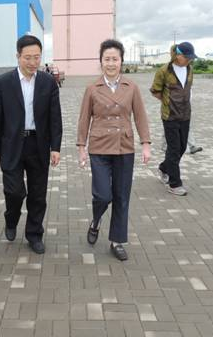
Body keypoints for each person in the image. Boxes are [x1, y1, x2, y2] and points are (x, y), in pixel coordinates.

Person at [77, 39, 151, 261]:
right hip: (99, 147)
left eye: (115, 59)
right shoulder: (92, 88)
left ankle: (117, 241)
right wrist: (81, 147)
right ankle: (96, 220)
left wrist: (145, 144)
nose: (111, 63)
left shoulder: (131, 87)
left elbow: (140, 116)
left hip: (124, 147)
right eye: (107, 59)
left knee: (121, 196)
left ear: (121, 61)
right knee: (102, 195)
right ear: (100, 61)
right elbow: (84, 119)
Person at [0, 35, 62, 255]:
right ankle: (11, 219)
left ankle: (34, 234)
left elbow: (55, 117)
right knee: (15, 191)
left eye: (36, 57)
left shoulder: (48, 82)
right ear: (18, 56)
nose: (32, 62)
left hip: (38, 144)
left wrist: (55, 147)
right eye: (27, 57)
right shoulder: (2, 83)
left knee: (38, 194)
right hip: (11, 145)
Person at [150, 42, 197, 196]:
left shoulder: (190, 69)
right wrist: (168, 102)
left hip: (185, 114)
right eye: (187, 57)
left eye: (191, 58)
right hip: (169, 116)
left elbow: (189, 89)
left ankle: (164, 168)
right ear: (178, 55)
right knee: (174, 148)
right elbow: (156, 91)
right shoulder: (164, 71)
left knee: (182, 147)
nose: (189, 60)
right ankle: (175, 184)